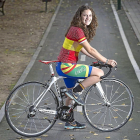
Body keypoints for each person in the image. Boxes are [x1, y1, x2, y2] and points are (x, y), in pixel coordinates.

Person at [56, 5, 117, 130]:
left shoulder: (76, 29)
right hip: (68, 67)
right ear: (80, 16)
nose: (87, 18)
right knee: (99, 73)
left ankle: (69, 121)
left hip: (62, 66)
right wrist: (106, 60)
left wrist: (96, 59)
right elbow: (90, 49)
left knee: (69, 97)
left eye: (90, 15)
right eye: (85, 15)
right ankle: (76, 91)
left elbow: (83, 49)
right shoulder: (77, 30)